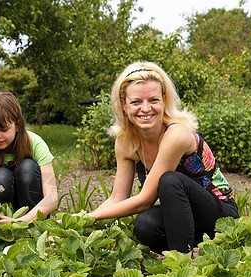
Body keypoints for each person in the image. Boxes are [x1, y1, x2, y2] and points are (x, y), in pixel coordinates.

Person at [88, 61, 239, 254]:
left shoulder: (176, 135)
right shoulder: (126, 142)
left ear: (163, 100)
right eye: (136, 102)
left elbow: (145, 201)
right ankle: (186, 253)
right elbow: (117, 198)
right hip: (184, 218)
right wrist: (80, 221)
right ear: (124, 105)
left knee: (169, 181)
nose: (145, 108)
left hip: (220, 217)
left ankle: (180, 267)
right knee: (145, 225)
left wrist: (91, 217)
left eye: (153, 100)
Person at [0, 91, 58, 227]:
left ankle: (34, 231)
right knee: (0, 176)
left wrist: (21, 222)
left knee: (27, 167)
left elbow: (52, 198)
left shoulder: (36, 144)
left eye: (3, 129)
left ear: (18, 125)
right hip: (1, 221)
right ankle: (2, 235)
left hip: (33, 218)